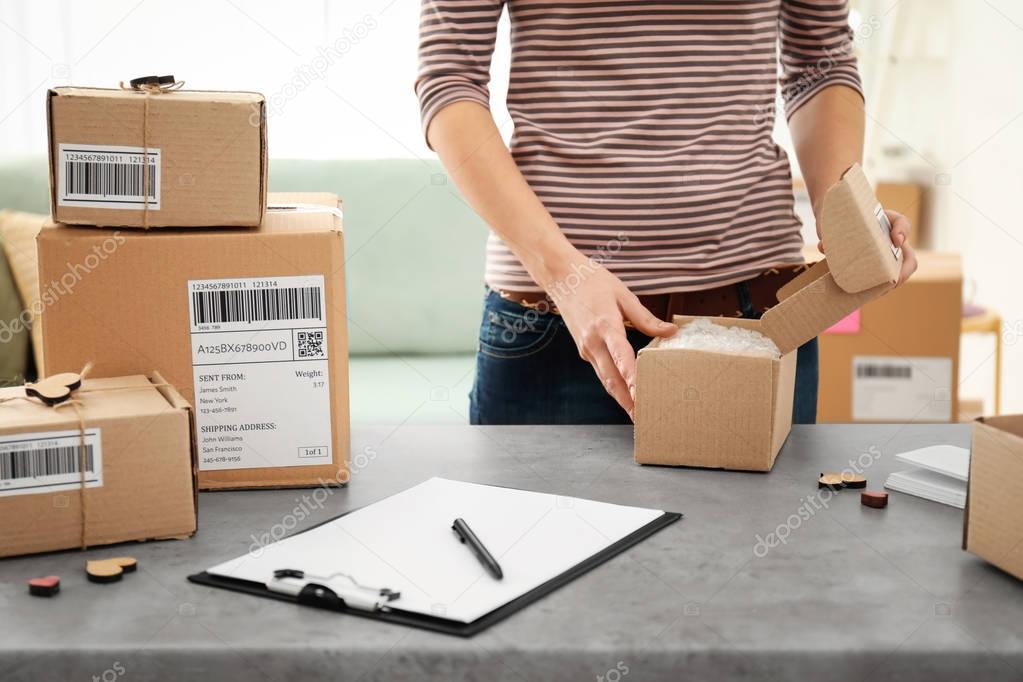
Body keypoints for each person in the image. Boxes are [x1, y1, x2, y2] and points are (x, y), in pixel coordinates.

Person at [416, 1, 917, 425]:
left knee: (764, 541)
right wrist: (564, 274)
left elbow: (821, 60)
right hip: (559, 322)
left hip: (761, 315)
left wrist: (843, 207)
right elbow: (449, 78)